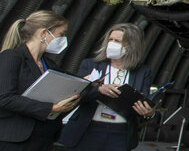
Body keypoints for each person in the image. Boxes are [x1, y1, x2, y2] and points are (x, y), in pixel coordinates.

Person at [0, 10, 81, 150]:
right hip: (11, 139)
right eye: (61, 34)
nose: (64, 39)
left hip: (41, 139)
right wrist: (51, 108)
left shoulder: (51, 66)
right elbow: (3, 98)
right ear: (43, 33)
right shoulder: (11, 57)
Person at [59, 23, 154, 151]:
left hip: (120, 133)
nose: (112, 43)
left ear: (131, 46)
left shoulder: (143, 71)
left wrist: (149, 113)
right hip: (87, 129)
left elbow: (143, 100)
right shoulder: (90, 65)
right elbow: (76, 96)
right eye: (110, 39)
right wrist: (98, 90)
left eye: (117, 41)